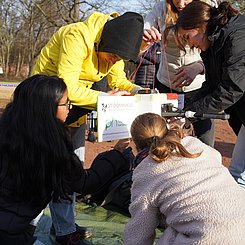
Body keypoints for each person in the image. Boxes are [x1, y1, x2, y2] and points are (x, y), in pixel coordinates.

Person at [31, 11, 144, 244]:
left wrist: (139, 93)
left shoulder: (115, 49)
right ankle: (28, 228)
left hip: (75, 111)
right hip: (44, 106)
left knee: (70, 172)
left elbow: (118, 81)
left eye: (118, 59)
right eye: (112, 56)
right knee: (40, 173)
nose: (114, 61)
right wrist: (104, 98)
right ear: (106, 41)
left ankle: (64, 230)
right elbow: (67, 86)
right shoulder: (77, 36)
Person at [0, 74, 131, 245]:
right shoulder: (50, 146)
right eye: (66, 103)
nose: (69, 107)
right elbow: (84, 183)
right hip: (10, 234)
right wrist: (118, 152)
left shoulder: (8, 129)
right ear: (47, 108)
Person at [123, 112, 245, 244]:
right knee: (176, 226)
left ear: (135, 144)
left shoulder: (145, 172)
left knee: (174, 230)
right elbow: (216, 157)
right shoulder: (193, 144)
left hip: (208, 236)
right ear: (167, 128)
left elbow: (139, 230)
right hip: (241, 220)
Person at [174, 1, 245, 188]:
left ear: (200, 27)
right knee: (239, 174)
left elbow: (231, 89)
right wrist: (182, 109)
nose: (190, 44)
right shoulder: (213, 41)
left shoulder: (237, 36)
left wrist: (188, 114)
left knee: (238, 176)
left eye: (188, 37)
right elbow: (213, 85)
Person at [139, 0, 217, 147]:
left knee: (204, 140)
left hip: (199, 87)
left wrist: (198, 67)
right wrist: (145, 36)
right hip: (166, 84)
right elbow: (144, 29)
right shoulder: (160, 9)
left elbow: (218, 51)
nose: (181, 3)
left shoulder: (207, 8)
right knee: (164, 138)